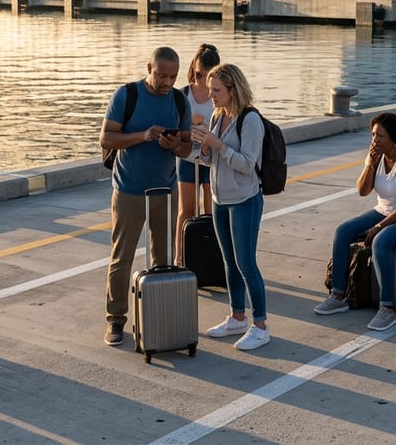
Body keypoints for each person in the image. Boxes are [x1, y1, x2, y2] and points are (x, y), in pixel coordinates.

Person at [99, 46, 192, 346]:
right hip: (129, 190)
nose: (167, 82)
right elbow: (106, 138)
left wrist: (172, 146)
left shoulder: (179, 100)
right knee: (121, 258)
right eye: (162, 75)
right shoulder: (126, 96)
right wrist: (143, 135)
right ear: (149, 67)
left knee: (164, 258)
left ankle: (159, 315)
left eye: (173, 77)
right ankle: (115, 320)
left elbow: (187, 148)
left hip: (166, 190)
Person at [312, 113, 396, 331]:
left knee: (381, 242)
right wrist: (370, 163)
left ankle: (387, 309)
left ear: (394, 139)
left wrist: (379, 227)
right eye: (373, 135)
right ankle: (339, 295)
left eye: (380, 136)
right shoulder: (377, 157)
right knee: (343, 231)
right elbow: (363, 190)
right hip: (384, 210)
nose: (374, 140)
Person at [191, 63, 271, 351]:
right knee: (229, 263)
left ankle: (260, 325)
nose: (210, 95)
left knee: (246, 263)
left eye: (216, 90)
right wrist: (204, 147)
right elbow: (212, 161)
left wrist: (218, 145)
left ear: (232, 89)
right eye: (210, 90)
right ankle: (237, 316)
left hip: (245, 201)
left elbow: (248, 165)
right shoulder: (217, 116)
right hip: (220, 200)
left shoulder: (250, 121)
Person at [175, 43, 221, 266]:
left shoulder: (219, 97)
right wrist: (188, 125)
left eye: (207, 76)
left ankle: (211, 256)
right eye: (198, 74)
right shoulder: (183, 95)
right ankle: (180, 256)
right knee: (186, 210)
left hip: (211, 158)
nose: (201, 80)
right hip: (187, 157)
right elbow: (172, 127)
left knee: (211, 210)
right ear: (193, 67)